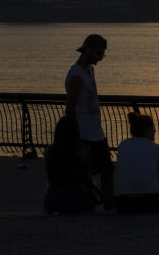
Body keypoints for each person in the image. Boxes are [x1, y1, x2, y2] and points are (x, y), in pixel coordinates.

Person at [65, 33, 113, 209]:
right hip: (84, 132)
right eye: (99, 53)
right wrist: (72, 133)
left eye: (103, 54)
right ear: (89, 51)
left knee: (105, 170)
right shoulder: (76, 75)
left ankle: (107, 204)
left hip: (96, 131)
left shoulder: (90, 70)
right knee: (93, 171)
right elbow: (70, 106)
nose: (101, 58)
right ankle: (93, 202)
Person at [113, 113, 159, 213]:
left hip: (122, 203)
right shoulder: (158, 150)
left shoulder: (123, 146)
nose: (155, 130)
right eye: (153, 127)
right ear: (147, 129)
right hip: (151, 202)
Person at [44, 116, 97, 213]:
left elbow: (49, 177)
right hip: (79, 200)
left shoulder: (49, 150)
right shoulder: (83, 150)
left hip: (53, 201)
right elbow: (88, 179)